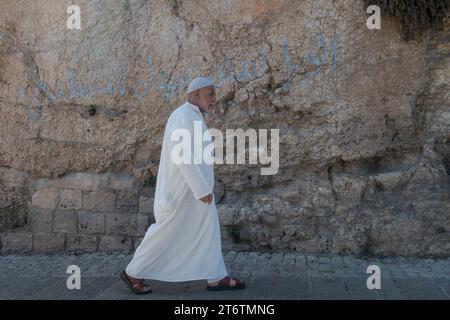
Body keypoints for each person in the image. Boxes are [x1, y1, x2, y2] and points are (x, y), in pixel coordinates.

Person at [120, 77, 246, 294]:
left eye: (213, 94)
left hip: (194, 194)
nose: (214, 99)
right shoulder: (182, 116)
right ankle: (133, 272)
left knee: (208, 230)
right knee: (166, 232)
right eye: (210, 94)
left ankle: (216, 277)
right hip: (182, 193)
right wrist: (201, 189)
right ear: (195, 95)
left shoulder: (193, 117)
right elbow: (183, 156)